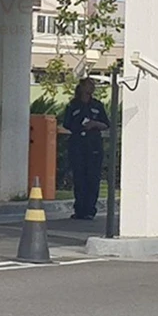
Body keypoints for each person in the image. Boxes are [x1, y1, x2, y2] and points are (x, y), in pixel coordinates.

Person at [63, 77, 110, 220]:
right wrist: (80, 126)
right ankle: (79, 210)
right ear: (82, 87)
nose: (92, 87)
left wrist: (94, 124)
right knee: (79, 177)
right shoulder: (73, 105)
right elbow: (66, 123)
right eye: (89, 85)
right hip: (78, 144)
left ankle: (90, 210)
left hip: (93, 145)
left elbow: (106, 124)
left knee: (92, 177)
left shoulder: (97, 105)